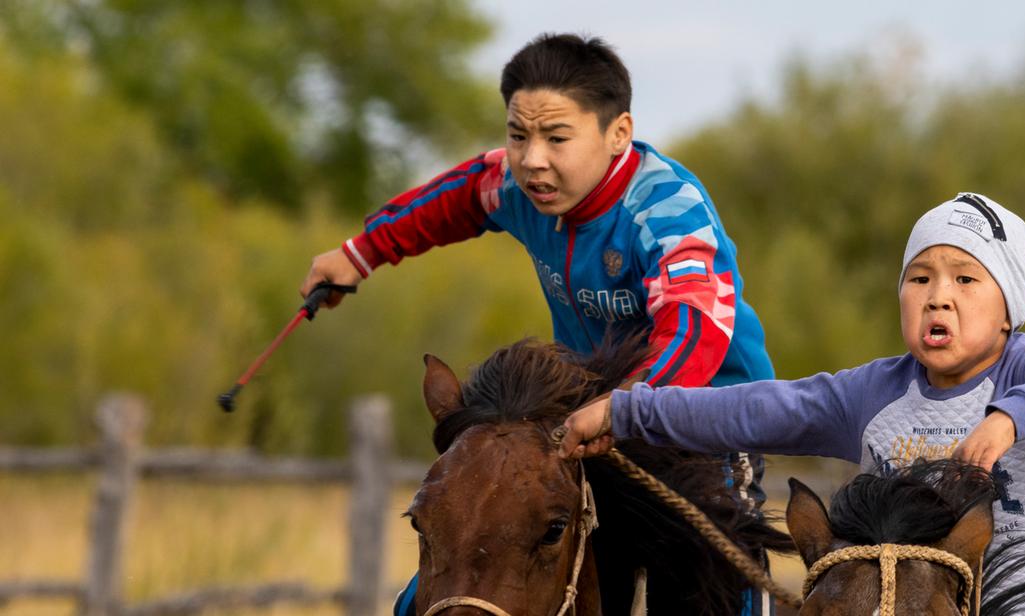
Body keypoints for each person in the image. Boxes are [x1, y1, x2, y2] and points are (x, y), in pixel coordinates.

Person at [297, 33, 774, 616]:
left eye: (556, 137)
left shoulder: (667, 210)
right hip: (586, 415)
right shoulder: (522, 188)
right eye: (518, 135)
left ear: (618, 133)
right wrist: (360, 253)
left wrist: (628, 407)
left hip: (700, 415)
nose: (532, 160)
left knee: (710, 578)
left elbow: (695, 327)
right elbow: (458, 197)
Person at [561, 192, 1025, 613]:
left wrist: (1010, 418)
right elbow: (754, 410)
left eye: (966, 280)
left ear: (1009, 311)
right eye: (920, 278)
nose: (938, 297)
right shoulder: (874, 394)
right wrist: (625, 411)